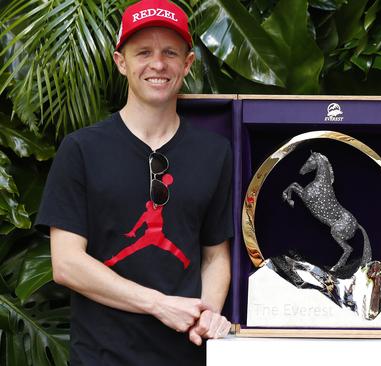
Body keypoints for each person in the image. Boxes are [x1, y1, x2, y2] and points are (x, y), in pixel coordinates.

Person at [35, 0, 233, 364]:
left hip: (184, 356)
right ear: (121, 62)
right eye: (143, 52)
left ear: (187, 64)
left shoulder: (215, 153)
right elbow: (66, 264)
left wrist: (207, 312)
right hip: (102, 356)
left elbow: (215, 255)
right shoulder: (81, 149)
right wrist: (159, 305)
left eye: (170, 52)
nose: (158, 64)